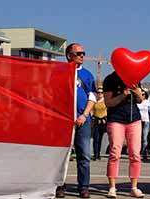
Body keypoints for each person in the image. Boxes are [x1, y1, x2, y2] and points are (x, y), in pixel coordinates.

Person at [56, 43, 96, 198]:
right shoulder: (59, 72)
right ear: (69, 55)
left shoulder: (87, 75)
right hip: (63, 120)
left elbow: (92, 97)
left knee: (84, 154)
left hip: (82, 120)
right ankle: (60, 185)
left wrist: (84, 115)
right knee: (62, 155)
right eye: (78, 53)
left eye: (83, 53)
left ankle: (83, 186)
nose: (82, 56)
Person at [102, 71, 145, 198]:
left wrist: (138, 94)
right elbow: (108, 103)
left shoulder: (134, 77)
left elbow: (140, 100)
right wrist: (122, 95)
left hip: (134, 119)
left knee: (135, 154)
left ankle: (134, 187)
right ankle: (112, 187)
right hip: (116, 119)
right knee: (115, 152)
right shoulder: (110, 79)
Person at [137, 90, 150, 160]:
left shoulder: (147, 102)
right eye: (141, 94)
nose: (142, 95)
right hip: (138, 121)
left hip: (146, 122)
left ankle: (144, 153)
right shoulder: (136, 102)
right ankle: (138, 153)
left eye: (143, 94)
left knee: (145, 138)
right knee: (138, 138)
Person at [92, 88, 107, 161]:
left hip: (103, 121)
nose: (99, 94)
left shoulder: (105, 101)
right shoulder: (94, 101)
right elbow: (91, 110)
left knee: (100, 138)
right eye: (98, 92)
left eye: (101, 92)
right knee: (96, 138)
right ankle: (95, 154)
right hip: (96, 121)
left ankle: (98, 153)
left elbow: (108, 110)